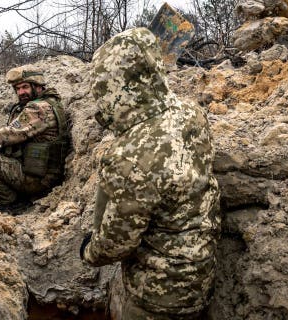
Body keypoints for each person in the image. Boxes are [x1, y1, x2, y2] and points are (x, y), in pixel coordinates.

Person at [79, 27, 221, 319]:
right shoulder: (191, 113)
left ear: (115, 87)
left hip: (156, 297)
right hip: (203, 275)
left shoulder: (128, 156)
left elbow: (115, 244)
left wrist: (88, 251)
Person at [0, 66, 70, 212]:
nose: (21, 92)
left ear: (38, 86)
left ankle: (14, 203)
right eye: (18, 89)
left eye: (25, 87)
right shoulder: (49, 103)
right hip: (40, 174)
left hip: (38, 181)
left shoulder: (39, 108)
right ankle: (16, 198)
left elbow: (7, 135)